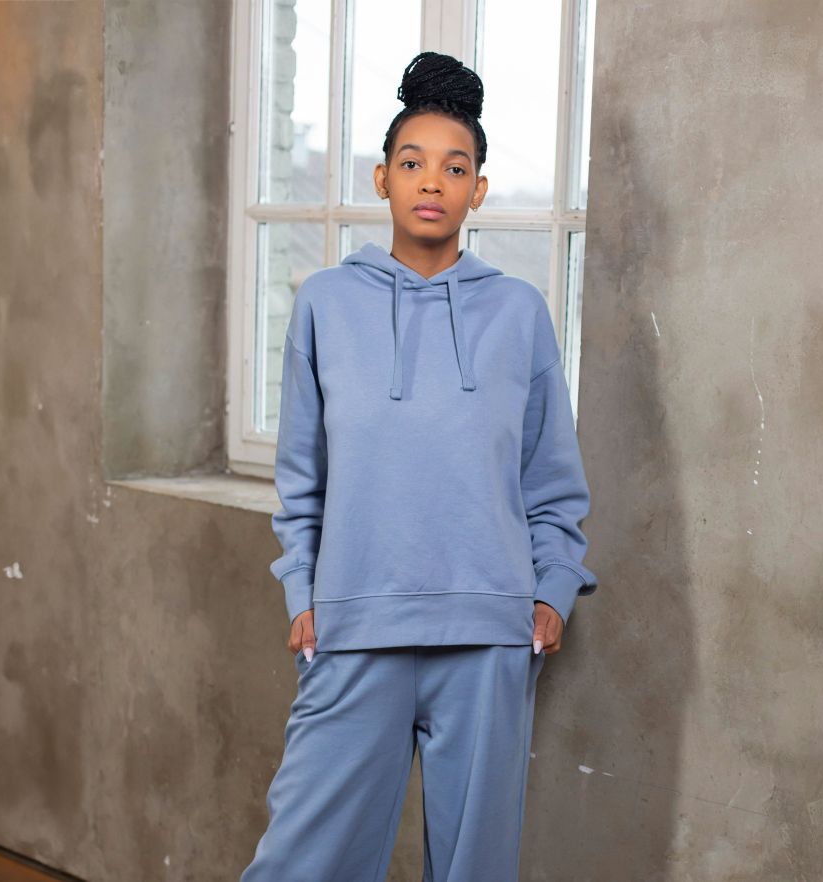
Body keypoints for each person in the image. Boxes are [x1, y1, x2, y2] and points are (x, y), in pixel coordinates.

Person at [238, 50, 598, 882]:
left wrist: (552, 590)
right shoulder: (325, 304)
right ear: (382, 179)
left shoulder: (519, 313)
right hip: (354, 625)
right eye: (412, 163)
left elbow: (550, 477)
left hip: (488, 634)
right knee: (303, 863)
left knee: (475, 868)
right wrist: (302, 593)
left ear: (477, 190)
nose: (432, 181)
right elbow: (302, 478)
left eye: (454, 167)